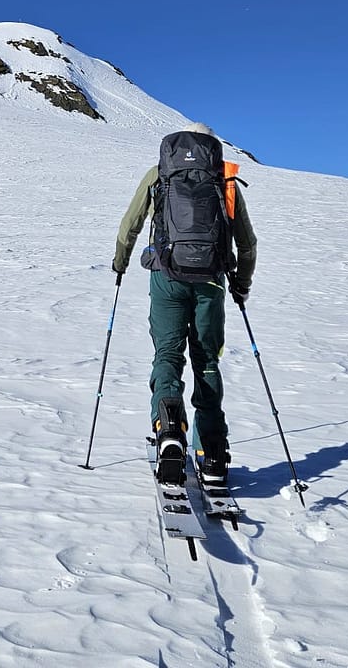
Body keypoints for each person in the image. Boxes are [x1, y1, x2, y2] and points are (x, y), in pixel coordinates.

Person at [112, 123, 257, 493]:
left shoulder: (160, 173)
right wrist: (241, 284)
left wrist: (120, 263)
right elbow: (247, 243)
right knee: (207, 361)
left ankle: (169, 431)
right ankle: (212, 454)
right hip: (210, 282)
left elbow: (130, 224)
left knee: (168, 355)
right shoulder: (223, 177)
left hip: (167, 278)